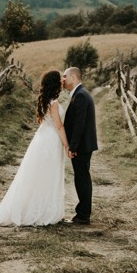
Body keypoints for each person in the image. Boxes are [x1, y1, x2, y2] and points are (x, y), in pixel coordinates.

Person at [0, 69, 70, 226]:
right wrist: (67, 144)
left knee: (40, 174)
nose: (62, 81)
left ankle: (39, 207)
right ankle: (44, 211)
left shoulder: (46, 100)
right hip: (51, 140)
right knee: (48, 174)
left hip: (42, 138)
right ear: (55, 83)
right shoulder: (54, 103)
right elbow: (59, 126)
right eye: (60, 79)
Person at [62, 66, 98, 225]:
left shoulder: (81, 96)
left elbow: (79, 125)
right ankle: (83, 213)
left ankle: (83, 215)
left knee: (82, 179)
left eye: (65, 76)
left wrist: (73, 147)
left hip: (82, 146)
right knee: (82, 178)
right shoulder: (80, 94)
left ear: (73, 78)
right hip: (83, 145)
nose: (63, 80)